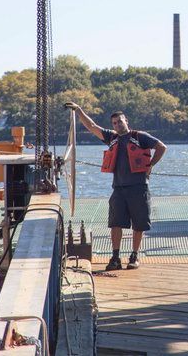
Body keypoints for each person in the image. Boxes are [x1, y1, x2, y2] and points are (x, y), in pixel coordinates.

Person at [66, 103, 167, 271]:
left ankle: (134, 256)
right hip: (119, 189)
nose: (117, 125)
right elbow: (92, 126)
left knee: (139, 224)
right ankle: (115, 256)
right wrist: (78, 110)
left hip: (138, 188)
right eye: (114, 123)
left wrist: (151, 164)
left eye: (120, 121)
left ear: (126, 121)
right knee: (115, 223)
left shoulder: (139, 136)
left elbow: (161, 147)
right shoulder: (112, 138)